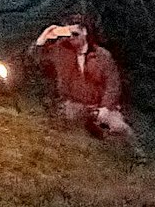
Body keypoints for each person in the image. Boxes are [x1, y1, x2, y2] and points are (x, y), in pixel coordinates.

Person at [36, 20, 143, 157]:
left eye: (75, 34)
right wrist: (45, 36)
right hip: (74, 103)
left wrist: (105, 107)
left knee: (119, 128)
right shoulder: (61, 51)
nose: (71, 39)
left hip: (100, 106)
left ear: (84, 32)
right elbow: (37, 57)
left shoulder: (102, 56)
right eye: (68, 35)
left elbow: (113, 85)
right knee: (64, 127)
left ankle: (138, 158)